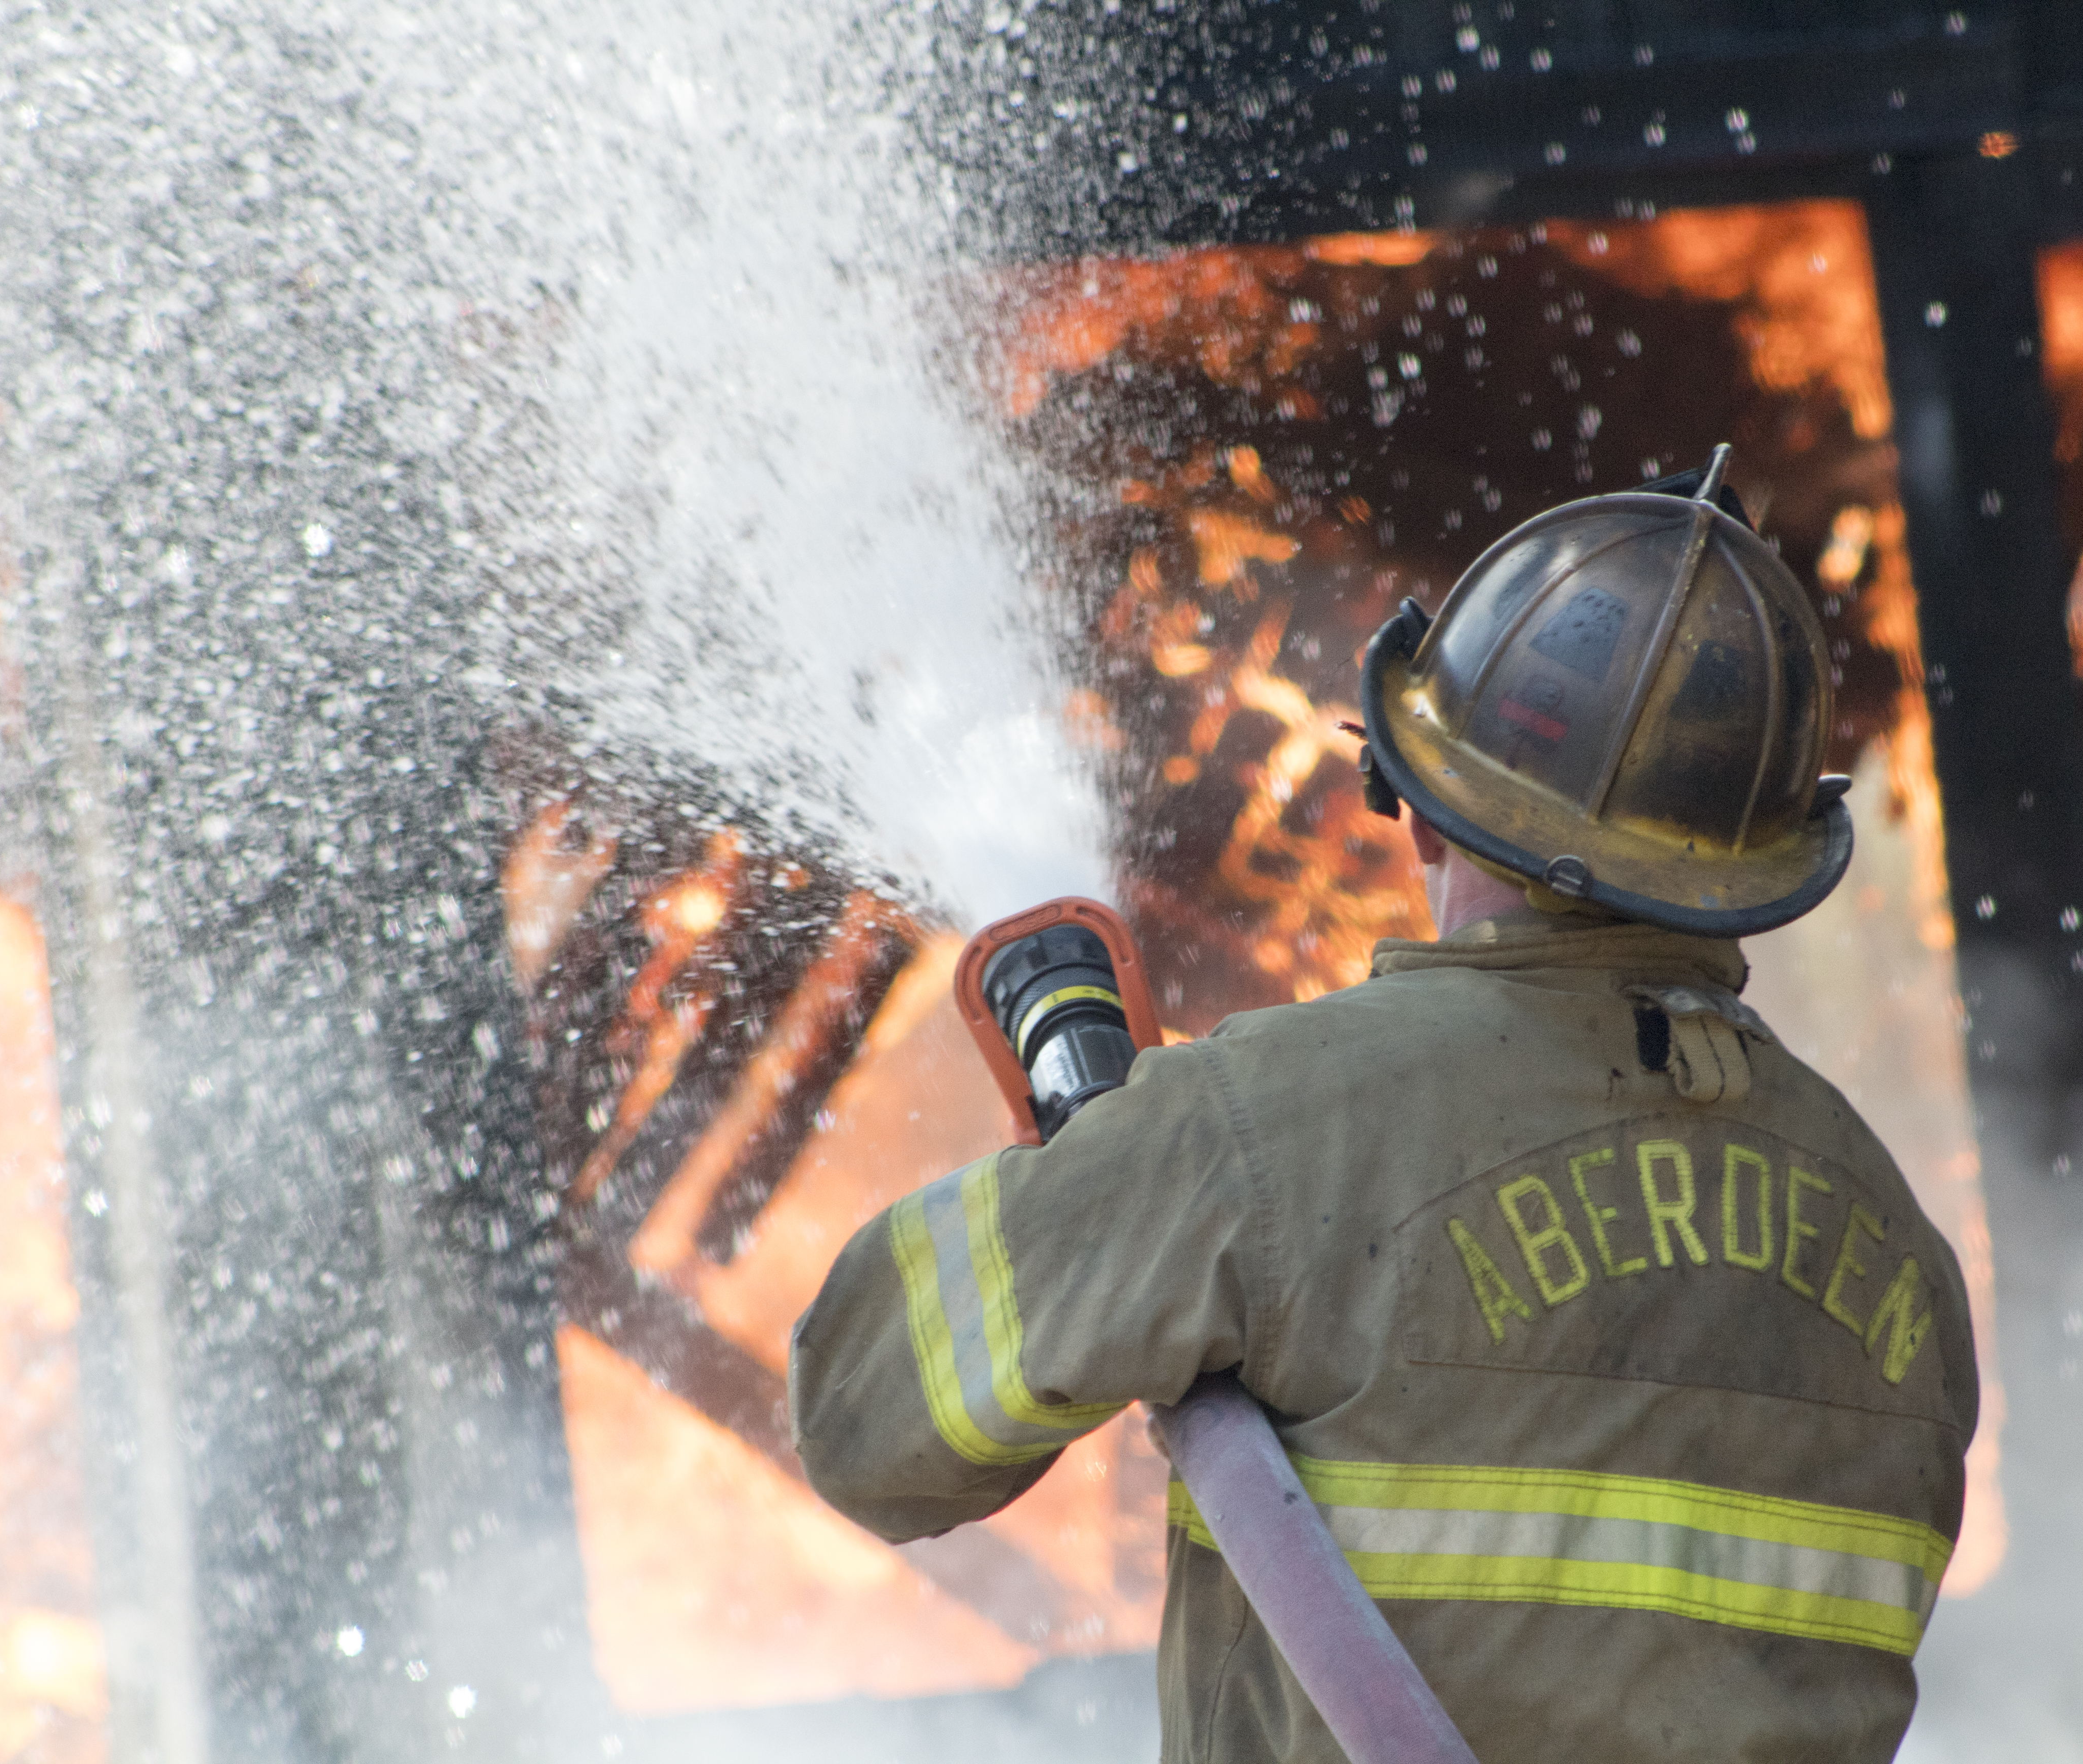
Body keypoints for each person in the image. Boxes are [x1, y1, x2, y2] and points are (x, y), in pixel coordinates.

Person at [789, 452, 1978, 1763]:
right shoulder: (1902, 1255)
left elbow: (866, 1417)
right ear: (1752, 877)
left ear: (1417, 815)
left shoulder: (1271, 1132)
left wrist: (1123, 1184)